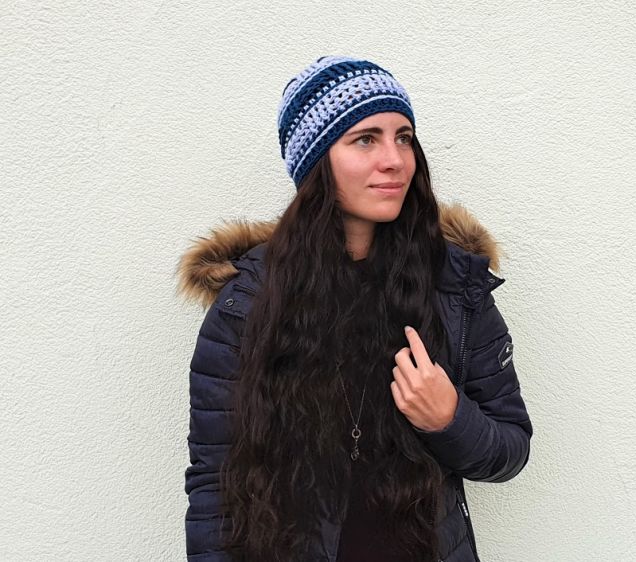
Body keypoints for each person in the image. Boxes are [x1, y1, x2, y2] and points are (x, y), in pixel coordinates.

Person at [175, 55, 533, 562]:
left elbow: (510, 450)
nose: (395, 160)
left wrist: (450, 418)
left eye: (403, 137)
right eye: (365, 139)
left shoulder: (455, 289)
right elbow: (214, 484)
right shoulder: (247, 304)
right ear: (317, 163)